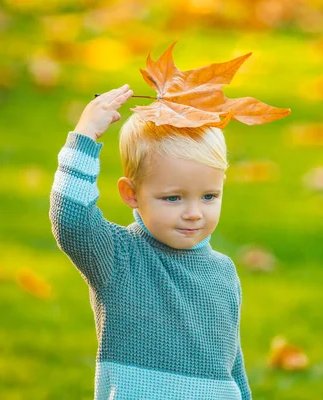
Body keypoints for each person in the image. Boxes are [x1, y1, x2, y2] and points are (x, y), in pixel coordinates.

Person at [49, 84, 252, 399]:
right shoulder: (119, 257)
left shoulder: (224, 272)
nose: (194, 213)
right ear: (132, 193)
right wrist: (85, 134)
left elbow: (232, 366)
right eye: (173, 198)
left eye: (209, 196)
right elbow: (72, 220)